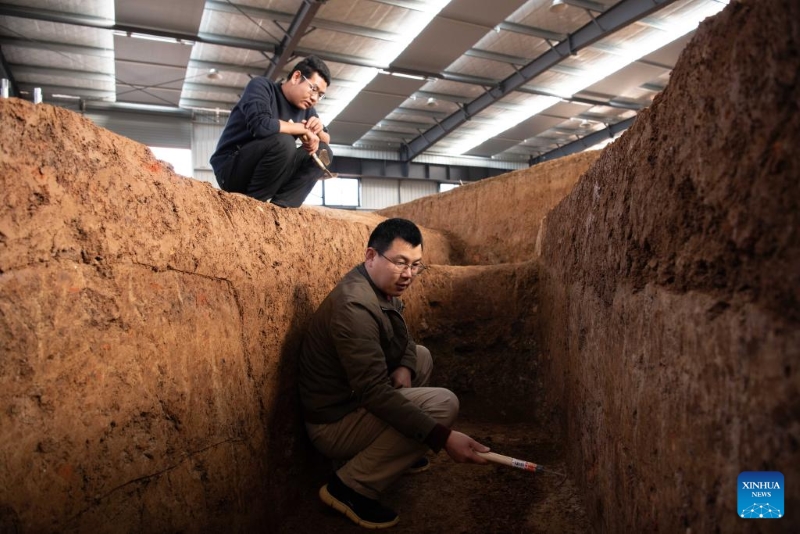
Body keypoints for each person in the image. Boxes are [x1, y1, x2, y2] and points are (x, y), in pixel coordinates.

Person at [298, 218, 490, 529]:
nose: (408, 274)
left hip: (352, 401)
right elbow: (374, 393)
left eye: (416, 265)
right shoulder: (355, 307)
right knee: (444, 404)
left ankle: (401, 449)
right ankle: (349, 487)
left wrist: (404, 366)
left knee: (420, 357)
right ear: (371, 256)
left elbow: (404, 340)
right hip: (334, 423)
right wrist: (442, 437)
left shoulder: (380, 289)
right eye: (400, 262)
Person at [209, 55, 332, 207]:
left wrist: (318, 131)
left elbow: (326, 140)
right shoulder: (262, 87)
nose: (315, 98)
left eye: (320, 95)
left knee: (323, 152)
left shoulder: (307, 109)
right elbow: (261, 125)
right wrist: (301, 128)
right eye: (313, 89)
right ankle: (254, 205)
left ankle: (282, 207)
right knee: (284, 142)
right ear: (296, 77)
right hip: (232, 169)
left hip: (270, 175)